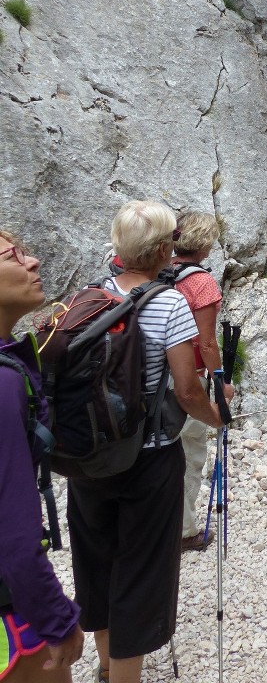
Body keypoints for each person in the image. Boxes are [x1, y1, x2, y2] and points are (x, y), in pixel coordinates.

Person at [66, 201, 223, 683]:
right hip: (148, 457)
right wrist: (218, 419)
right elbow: (187, 389)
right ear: (160, 249)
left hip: (88, 457)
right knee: (140, 568)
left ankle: (107, 664)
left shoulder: (89, 297)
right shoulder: (169, 303)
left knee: (96, 560)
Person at [0, 231, 84, 683]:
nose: (33, 262)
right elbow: (13, 534)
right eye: (13, 256)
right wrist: (58, 620)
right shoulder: (4, 383)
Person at [173, 211, 234, 553]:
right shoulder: (201, 283)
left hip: (153, 374)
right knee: (190, 452)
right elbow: (207, 342)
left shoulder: (161, 272)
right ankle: (183, 531)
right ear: (205, 243)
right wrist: (221, 382)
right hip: (189, 375)